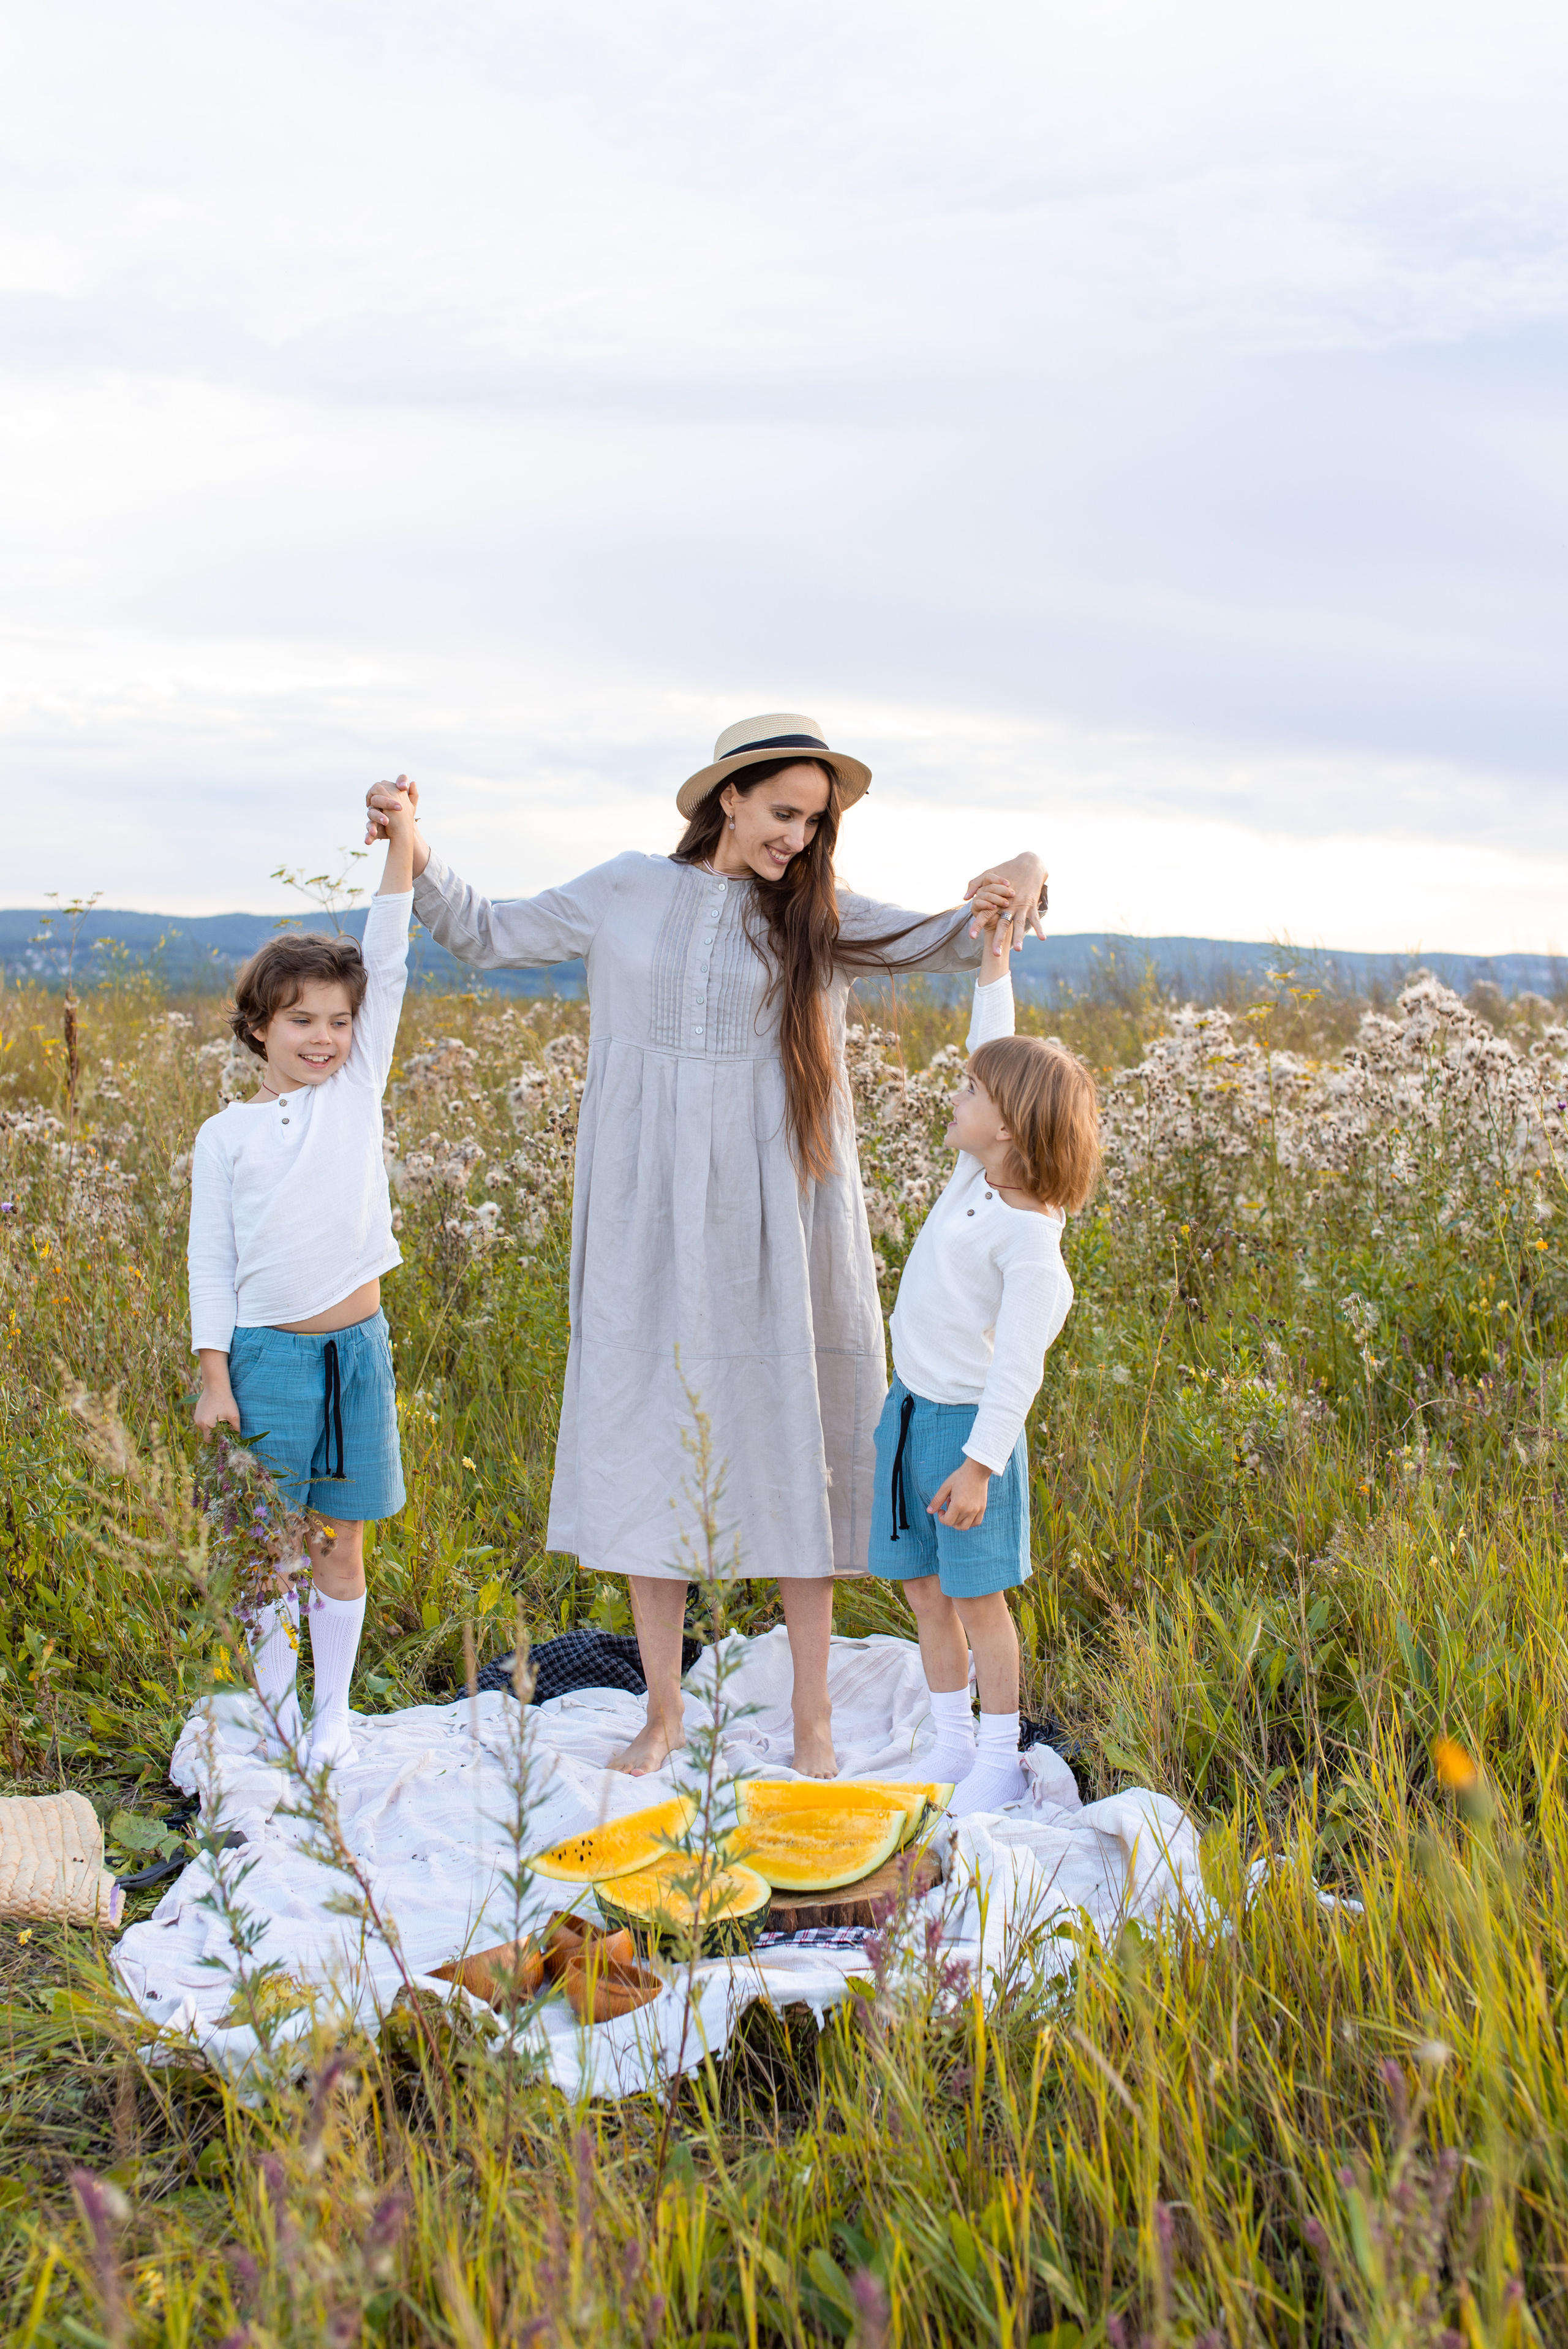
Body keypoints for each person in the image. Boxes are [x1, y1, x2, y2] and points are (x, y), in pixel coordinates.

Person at [364, 714, 1046, 1777]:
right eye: (784, 812)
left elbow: (967, 933)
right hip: (647, 1209)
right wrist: (410, 833)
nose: (797, 837)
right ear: (726, 796)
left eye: (815, 821)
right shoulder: (630, 889)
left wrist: (1028, 868)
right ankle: (665, 1713)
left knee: (796, 1443)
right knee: (650, 1435)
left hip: (785, 1207)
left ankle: (813, 1719)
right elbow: (489, 929)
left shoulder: (820, 915)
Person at [188, 784, 418, 1771]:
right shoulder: (226, 1135)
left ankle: (334, 1720)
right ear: (258, 1029)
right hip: (266, 1357)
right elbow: (212, 1260)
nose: (323, 1037)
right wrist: (214, 1376)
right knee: (268, 1554)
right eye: (300, 1022)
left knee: (340, 1544)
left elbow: (393, 952)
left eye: (337, 1020)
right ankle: (281, 1720)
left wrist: (403, 842)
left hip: (356, 1353)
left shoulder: (356, 1090)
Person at [866, 930, 1100, 1817]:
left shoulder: (1033, 1242)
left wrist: (980, 1464)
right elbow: (993, 1036)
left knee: (978, 1599)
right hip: (910, 1412)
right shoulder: (975, 1174)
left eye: (970, 1090)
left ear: (1007, 1124)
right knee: (923, 1586)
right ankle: (951, 1743)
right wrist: (994, 963)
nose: (955, 1096)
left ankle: (1000, 1757)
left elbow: (1019, 1372)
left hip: (969, 1434)